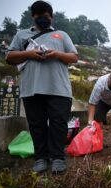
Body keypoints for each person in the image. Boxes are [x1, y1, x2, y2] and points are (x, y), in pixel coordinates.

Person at [5, 1, 78, 173]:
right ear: (33, 17)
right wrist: (29, 54)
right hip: (31, 89)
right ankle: (40, 158)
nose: (43, 19)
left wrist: (57, 54)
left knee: (58, 124)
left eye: (46, 16)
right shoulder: (22, 35)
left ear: (51, 17)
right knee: (36, 124)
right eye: (39, 16)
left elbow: (74, 57)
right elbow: (9, 57)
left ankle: (58, 157)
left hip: (59, 88)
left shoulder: (61, 35)